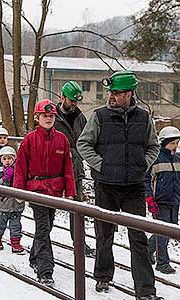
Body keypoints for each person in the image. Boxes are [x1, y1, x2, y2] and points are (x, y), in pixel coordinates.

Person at [77, 71, 161, 300]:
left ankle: (145, 290)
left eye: (117, 92)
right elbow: (83, 144)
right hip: (106, 185)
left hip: (134, 186)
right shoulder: (100, 116)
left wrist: (142, 164)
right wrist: (101, 165)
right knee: (104, 234)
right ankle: (103, 275)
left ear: (130, 94)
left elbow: (154, 146)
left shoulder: (144, 118)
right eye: (111, 92)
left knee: (139, 238)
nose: (112, 96)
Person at [14, 99, 76, 286]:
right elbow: (20, 166)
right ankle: (45, 269)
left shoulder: (62, 139)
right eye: (45, 116)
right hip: (37, 189)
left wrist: (70, 191)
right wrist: (19, 191)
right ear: (37, 117)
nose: (48, 119)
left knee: (47, 227)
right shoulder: (29, 140)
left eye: (51, 116)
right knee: (42, 228)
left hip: (55, 190)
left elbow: (68, 168)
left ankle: (34, 257)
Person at [53, 80, 95, 257]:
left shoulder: (80, 118)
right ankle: (41, 244)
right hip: (53, 171)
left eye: (76, 101)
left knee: (77, 209)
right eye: (71, 101)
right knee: (48, 208)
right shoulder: (51, 116)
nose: (74, 104)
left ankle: (79, 242)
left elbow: (86, 141)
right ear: (62, 97)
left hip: (75, 169)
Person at [145, 126, 180, 275]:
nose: (175, 146)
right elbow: (146, 180)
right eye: (172, 143)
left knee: (170, 230)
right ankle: (162, 262)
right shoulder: (155, 159)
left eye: (177, 143)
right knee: (163, 231)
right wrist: (149, 200)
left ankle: (147, 249)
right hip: (160, 201)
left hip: (175, 200)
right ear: (164, 142)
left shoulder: (178, 159)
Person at [0, 146, 25, 254]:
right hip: (3, 204)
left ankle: (15, 243)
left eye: (10, 158)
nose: (7, 161)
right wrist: (4, 178)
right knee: (0, 224)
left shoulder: (19, 171)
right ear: (1, 160)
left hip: (16, 204)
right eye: (5, 159)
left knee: (16, 225)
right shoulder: (0, 173)